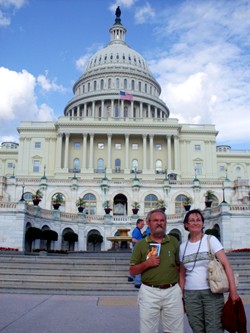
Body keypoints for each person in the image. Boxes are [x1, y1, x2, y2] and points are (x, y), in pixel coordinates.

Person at [179, 209, 239, 333]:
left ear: (202, 223)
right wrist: (181, 297)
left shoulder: (211, 240)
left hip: (212, 293)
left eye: (198, 220)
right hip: (191, 295)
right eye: (192, 220)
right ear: (186, 225)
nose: (195, 223)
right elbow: (182, 274)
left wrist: (233, 291)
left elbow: (226, 265)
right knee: (197, 329)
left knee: (214, 328)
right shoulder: (182, 247)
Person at [130, 209, 184, 333]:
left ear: (166, 223)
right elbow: (132, 270)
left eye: (162, 220)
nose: (159, 223)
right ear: (148, 223)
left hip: (172, 291)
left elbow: (178, 266)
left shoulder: (173, 241)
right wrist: (147, 263)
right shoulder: (141, 245)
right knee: (148, 330)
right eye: (155, 220)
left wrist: (180, 290)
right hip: (149, 292)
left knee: (175, 330)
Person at [128, 218, 145, 288]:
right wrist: (141, 243)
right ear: (137, 224)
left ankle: (131, 276)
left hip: (136, 249)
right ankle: (137, 282)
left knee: (134, 264)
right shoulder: (137, 231)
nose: (143, 225)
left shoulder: (137, 230)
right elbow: (133, 239)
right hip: (137, 249)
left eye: (143, 224)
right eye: (142, 224)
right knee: (138, 265)